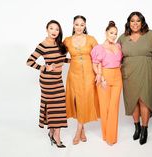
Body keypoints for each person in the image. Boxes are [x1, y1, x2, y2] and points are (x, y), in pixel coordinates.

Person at [26, 20, 70, 148]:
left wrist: (72, 60)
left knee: (60, 106)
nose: (54, 31)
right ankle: (56, 136)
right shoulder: (43, 45)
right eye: (51, 28)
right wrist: (44, 67)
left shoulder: (60, 44)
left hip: (58, 80)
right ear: (47, 29)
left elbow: (60, 59)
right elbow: (29, 61)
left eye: (57, 29)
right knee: (54, 107)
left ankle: (52, 132)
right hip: (47, 81)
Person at [117, 11, 152, 145]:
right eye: (132, 21)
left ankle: (145, 129)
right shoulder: (123, 37)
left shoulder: (151, 35)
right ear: (129, 23)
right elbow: (114, 54)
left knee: (144, 100)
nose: (135, 23)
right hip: (128, 73)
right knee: (133, 101)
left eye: (138, 21)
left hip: (147, 71)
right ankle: (137, 127)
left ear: (142, 22)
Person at [63, 15, 99, 145]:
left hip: (89, 75)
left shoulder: (91, 39)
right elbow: (59, 56)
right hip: (74, 75)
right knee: (77, 101)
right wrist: (70, 60)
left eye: (82, 24)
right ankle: (82, 129)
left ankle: (78, 130)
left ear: (85, 26)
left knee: (84, 100)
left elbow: (98, 56)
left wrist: (99, 74)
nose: (79, 27)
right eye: (76, 24)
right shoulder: (67, 40)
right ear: (73, 25)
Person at [91, 21, 123, 146]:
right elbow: (94, 64)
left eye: (115, 33)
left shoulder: (118, 46)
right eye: (111, 33)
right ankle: (105, 134)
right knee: (105, 107)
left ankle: (111, 137)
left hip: (117, 77)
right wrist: (101, 77)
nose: (114, 36)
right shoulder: (99, 48)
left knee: (114, 107)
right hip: (105, 76)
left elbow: (120, 62)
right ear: (106, 32)